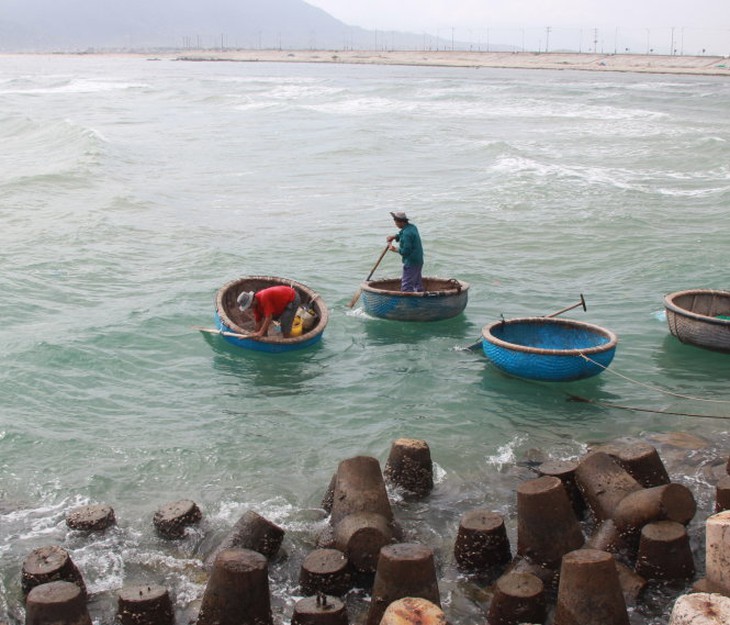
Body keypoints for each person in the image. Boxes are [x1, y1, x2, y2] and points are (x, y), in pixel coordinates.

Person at [237, 285, 301, 338]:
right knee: (264, 321)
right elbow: (258, 321)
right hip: (280, 302)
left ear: (253, 300)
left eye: (249, 306)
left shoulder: (263, 297)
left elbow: (269, 317)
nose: (250, 308)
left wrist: (260, 332)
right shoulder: (255, 306)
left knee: (285, 322)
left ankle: (287, 340)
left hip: (292, 298)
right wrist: (255, 333)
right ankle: (265, 338)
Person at [386, 211, 424, 292]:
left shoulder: (407, 234)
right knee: (417, 283)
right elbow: (402, 234)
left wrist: (394, 249)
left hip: (411, 262)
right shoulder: (412, 227)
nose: (395, 224)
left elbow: (405, 251)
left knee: (406, 287)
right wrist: (394, 237)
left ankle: (408, 303)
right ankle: (420, 299)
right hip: (418, 260)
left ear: (401, 222)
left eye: (396, 222)